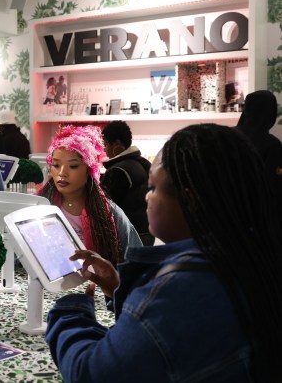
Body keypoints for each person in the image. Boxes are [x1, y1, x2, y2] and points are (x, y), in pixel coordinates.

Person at [45, 124, 282, 382]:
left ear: (189, 200)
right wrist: (118, 287)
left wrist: (71, 312)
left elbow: (90, 373)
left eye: (153, 188)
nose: (146, 198)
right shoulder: (245, 261)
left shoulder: (181, 290)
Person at [37, 125, 142, 266]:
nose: (62, 173)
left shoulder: (109, 212)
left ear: (88, 170)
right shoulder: (37, 206)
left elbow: (137, 260)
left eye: (73, 166)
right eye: (56, 165)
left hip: (97, 285)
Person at [101, 120, 154, 245]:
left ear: (117, 144)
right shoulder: (142, 163)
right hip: (146, 229)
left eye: (106, 144)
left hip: (130, 233)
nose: (105, 149)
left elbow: (104, 206)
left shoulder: (118, 171)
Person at [236, 90, 282, 222]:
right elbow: (275, 187)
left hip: (228, 215)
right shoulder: (271, 145)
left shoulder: (227, 136)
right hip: (258, 219)